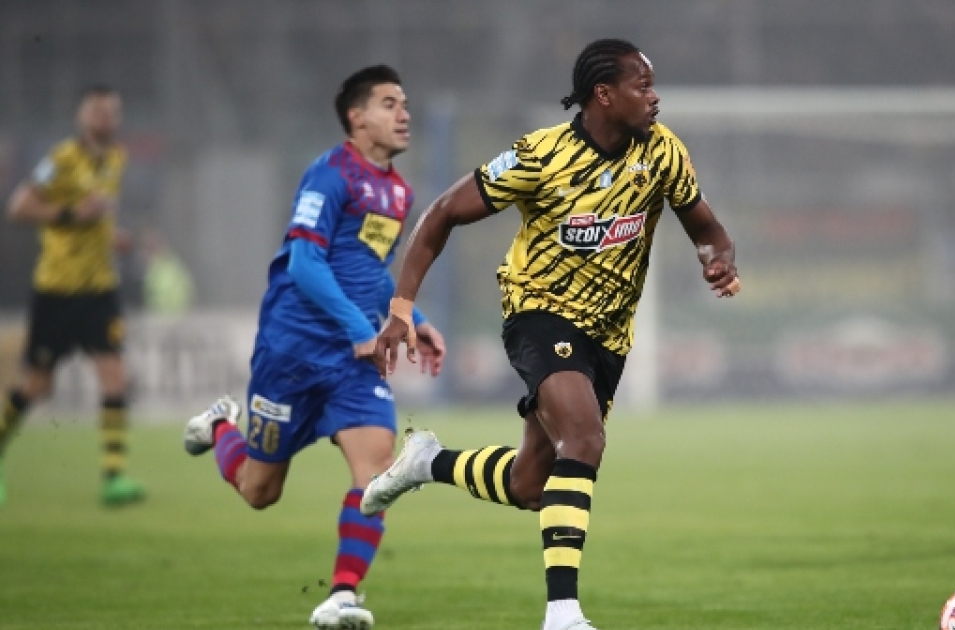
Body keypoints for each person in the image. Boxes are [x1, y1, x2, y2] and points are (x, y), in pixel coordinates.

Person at [361, 39, 740, 630]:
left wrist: (717, 260)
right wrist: (401, 308)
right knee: (584, 440)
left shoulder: (663, 152)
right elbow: (441, 214)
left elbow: (708, 228)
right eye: (642, 85)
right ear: (604, 94)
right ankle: (563, 614)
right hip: (539, 313)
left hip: (608, 335)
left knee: (531, 484)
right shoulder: (539, 156)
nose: (654, 96)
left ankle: (426, 463)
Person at [180, 65, 446, 630]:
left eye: (405, 103)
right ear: (357, 117)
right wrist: (357, 329)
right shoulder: (330, 174)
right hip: (293, 352)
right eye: (389, 103)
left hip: (355, 361)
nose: (404, 113)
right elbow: (305, 262)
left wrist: (412, 318)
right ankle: (220, 425)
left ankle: (343, 595)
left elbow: (369, 270)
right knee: (259, 491)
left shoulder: (399, 192)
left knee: (377, 471)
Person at [1, 84, 144, 507]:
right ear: (83, 117)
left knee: (115, 376)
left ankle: (114, 477)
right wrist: (71, 214)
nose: (105, 119)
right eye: (98, 111)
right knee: (37, 385)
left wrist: (112, 237)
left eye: (111, 112)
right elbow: (18, 207)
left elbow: (98, 217)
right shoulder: (60, 160)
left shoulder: (116, 159)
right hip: (58, 290)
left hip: (100, 289)